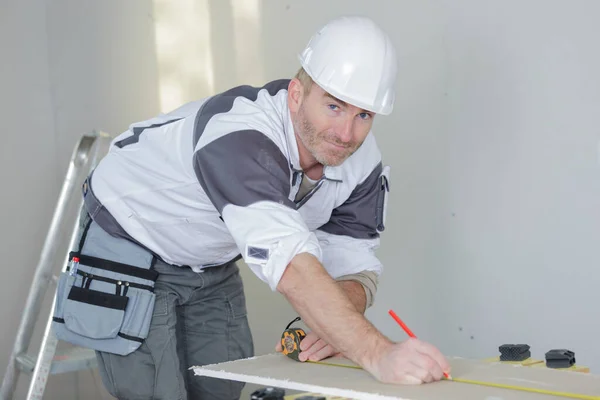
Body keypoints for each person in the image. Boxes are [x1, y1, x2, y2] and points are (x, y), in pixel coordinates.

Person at [53, 15, 450, 400]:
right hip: (131, 239)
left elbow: (352, 262)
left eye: (363, 114)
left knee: (223, 385)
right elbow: (292, 267)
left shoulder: (360, 161)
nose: (346, 134)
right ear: (297, 95)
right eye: (334, 107)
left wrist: (335, 326)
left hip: (210, 258)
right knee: (156, 390)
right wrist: (377, 353)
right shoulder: (241, 138)